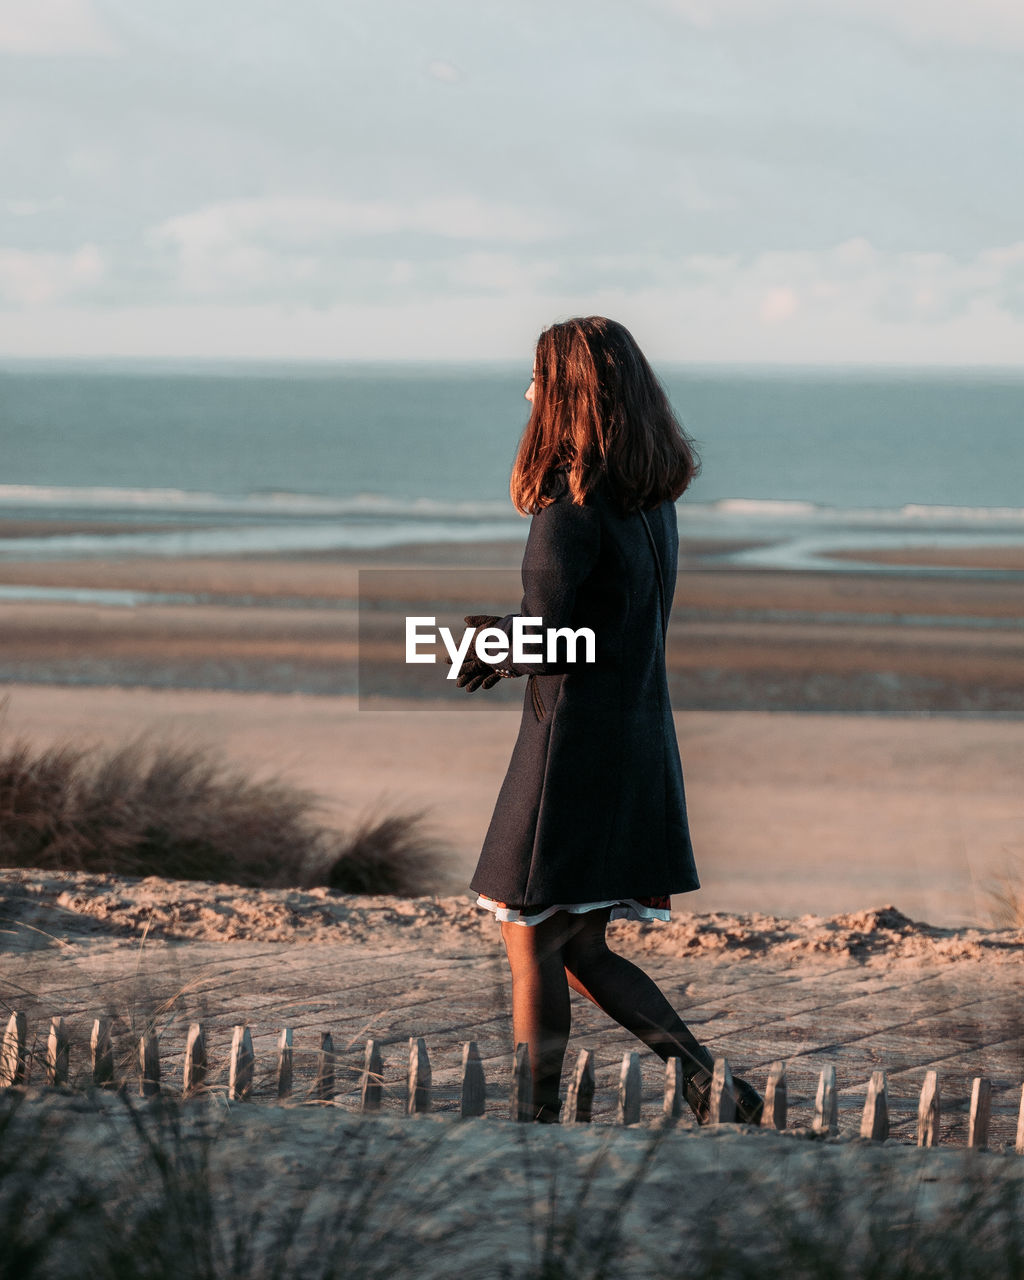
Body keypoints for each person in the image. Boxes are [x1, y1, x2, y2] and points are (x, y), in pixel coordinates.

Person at [455, 316, 763, 1126]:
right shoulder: (650, 499)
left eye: (536, 378)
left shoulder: (568, 503)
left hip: (570, 750)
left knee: (532, 945)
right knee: (580, 946)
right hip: (635, 738)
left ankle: (533, 1122)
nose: (525, 392)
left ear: (565, 393)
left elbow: (547, 627)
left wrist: (476, 645)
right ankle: (711, 1086)